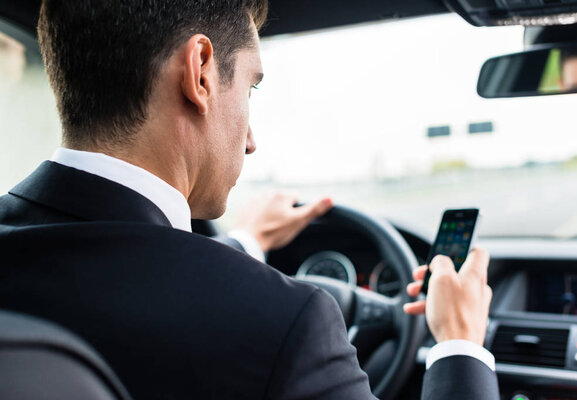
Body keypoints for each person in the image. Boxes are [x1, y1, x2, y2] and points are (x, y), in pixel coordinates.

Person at [0, 1, 499, 399]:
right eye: (251, 87)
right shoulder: (288, 322)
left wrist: (244, 245)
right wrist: (458, 344)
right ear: (200, 72)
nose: (251, 140)